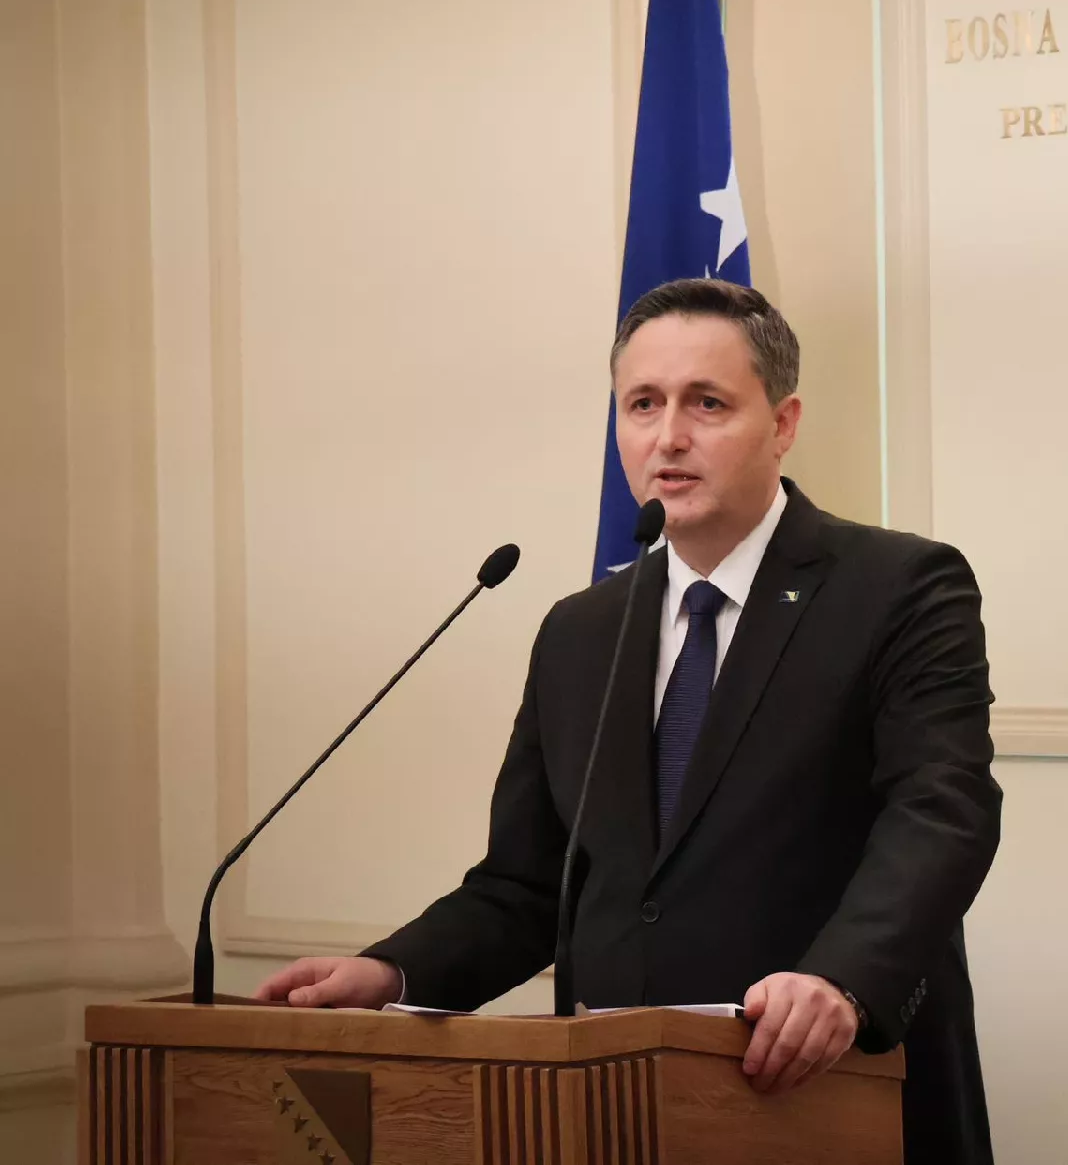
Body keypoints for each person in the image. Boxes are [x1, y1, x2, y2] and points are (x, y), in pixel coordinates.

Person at [257, 278, 1002, 1164]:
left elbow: (942, 810)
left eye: (707, 402)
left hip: (829, 1090)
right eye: (642, 403)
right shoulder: (581, 632)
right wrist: (392, 971)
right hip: (616, 1111)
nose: (668, 436)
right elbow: (528, 885)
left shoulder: (900, 588)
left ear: (784, 423)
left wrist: (842, 978)